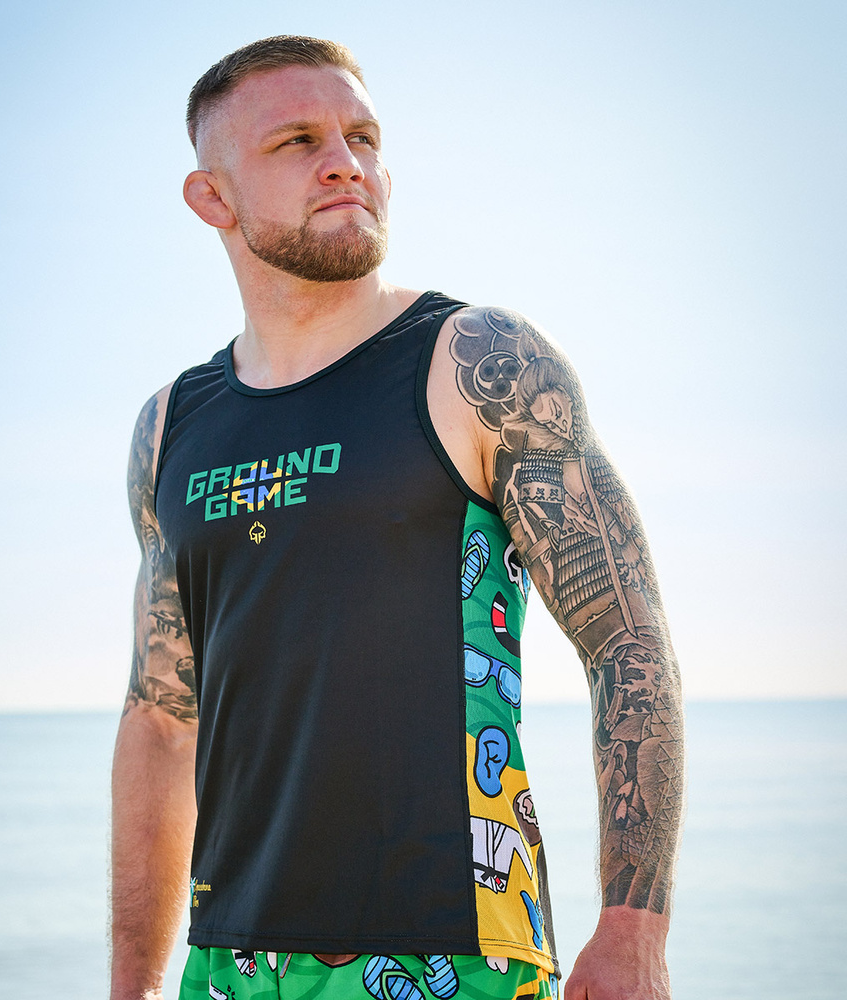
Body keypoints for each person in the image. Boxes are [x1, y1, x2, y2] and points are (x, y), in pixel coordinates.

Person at [110, 35, 684, 1000]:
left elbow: (626, 642)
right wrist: (133, 980)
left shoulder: (479, 363)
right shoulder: (172, 426)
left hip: (454, 951)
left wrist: (634, 929)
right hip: (231, 962)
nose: (345, 162)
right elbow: (162, 718)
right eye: (297, 141)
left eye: (363, 136)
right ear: (213, 198)